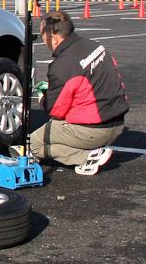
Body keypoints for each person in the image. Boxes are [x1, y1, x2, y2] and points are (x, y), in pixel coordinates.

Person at [28, 11, 129, 175]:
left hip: (93, 131)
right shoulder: (96, 46)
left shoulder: (62, 66)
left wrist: (43, 97)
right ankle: (90, 147)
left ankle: (86, 157)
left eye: (43, 36)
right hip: (118, 123)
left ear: (54, 37)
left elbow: (55, 110)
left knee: (32, 144)